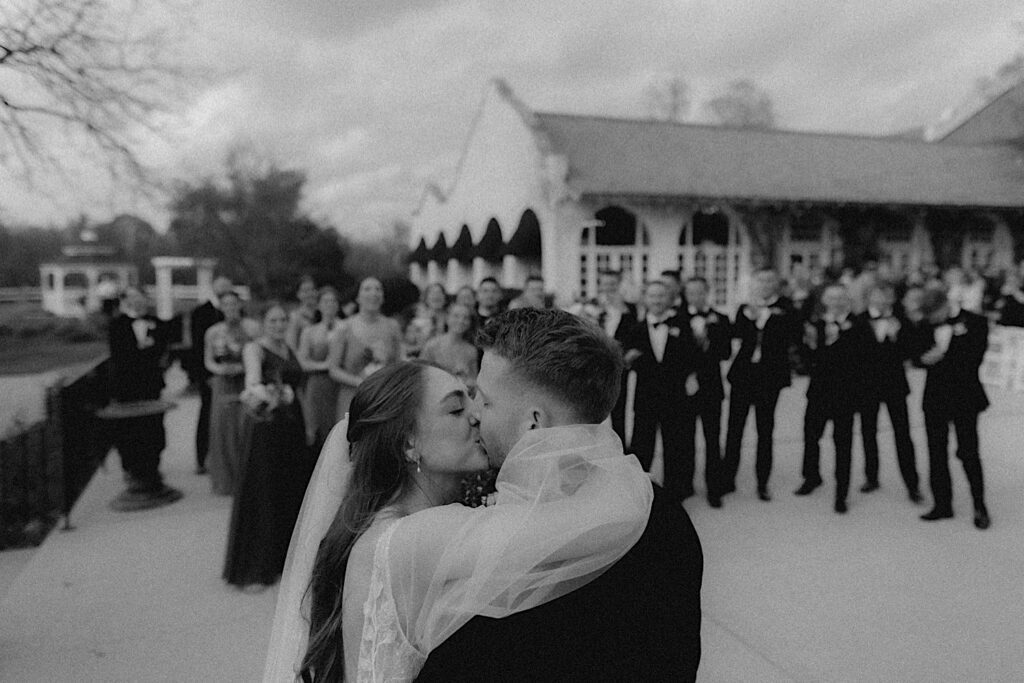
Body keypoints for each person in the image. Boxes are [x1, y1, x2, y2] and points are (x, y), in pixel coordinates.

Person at [264, 349, 656, 679]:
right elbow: (605, 519)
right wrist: (592, 446)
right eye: (455, 409)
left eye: (475, 399)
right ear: (408, 444)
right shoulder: (410, 538)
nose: (476, 415)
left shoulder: (396, 526)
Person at [417, 308, 703, 681]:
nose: (475, 414)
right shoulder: (663, 512)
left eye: (485, 400)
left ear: (533, 422)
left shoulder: (503, 536)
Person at [224, 302, 314, 589]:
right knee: (263, 490)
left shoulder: (290, 348)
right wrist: (270, 392)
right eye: (273, 320)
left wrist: (309, 423)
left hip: (292, 426)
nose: (278, 325)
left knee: (290, 489)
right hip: (266, 427)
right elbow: (251, 383)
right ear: (263, 323)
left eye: (282, 320)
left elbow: (301, 388)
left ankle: (284, 559)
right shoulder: (255, 349)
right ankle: (256, 566)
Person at [914, 288, 991, 529]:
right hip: (935, 397)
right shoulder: (925, 325)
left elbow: (975, 357)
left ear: (946, 304)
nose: (931, 320)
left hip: (965, 395)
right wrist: (924, 359)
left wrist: (944, 354)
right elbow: (914, 354)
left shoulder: (976, 321)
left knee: (969, 451)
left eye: (934, 314)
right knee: (936, 452)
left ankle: (980, 505)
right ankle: (942, 504)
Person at [793, 284, 872, 514]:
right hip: (818, 390)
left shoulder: (859, 325)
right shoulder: (815, 324)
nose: (836, 302)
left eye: (840, 298)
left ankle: (841, 493)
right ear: (824, 301)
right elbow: (807, 359)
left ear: (847, 300)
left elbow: (865, 358)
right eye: (831, 298)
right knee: (810, 435)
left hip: (846, 393)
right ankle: (811, 477)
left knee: (843, 443)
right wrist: (810, 346)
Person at [722, 269, 799, 501]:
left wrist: (768, 320)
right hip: (744, 375)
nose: (764, 284)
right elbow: (736, 337)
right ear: (754, 283)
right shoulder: (744, 307)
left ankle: (762, 482)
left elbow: (792, 337)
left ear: (777, 284)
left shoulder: (788, 309)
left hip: (769, 377)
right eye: (760, 280)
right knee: (734, 429)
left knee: (765, 431)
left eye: (769, 280)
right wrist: (750, 319)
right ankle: (728, 480)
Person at [624, 280, 701, 503]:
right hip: (646, 398)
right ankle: (639, 493)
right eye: (652, 296)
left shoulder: (683, 324)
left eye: (661, 296)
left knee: (675, 446)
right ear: (645, 299)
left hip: (675, 397)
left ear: (669, 299)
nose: (657, 301)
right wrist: (628, 360)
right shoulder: (635, 329)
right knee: (642, 445)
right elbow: (626, 360)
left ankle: (674, 495)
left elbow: (692, 357)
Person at [105, 287, 182, 509]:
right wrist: (144, 351)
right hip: (126, 389)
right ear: (125, 302)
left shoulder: (157, 323)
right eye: (133, 300)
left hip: (151, 387)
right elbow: (121, 355)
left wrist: (148, 350)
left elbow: (161, 351)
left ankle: (153, 470)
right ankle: (134, 473)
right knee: (130, 430)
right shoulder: (116, 325)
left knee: (154, 428)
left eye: (142, 300)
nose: (139, 304)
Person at [853, 283, 922, 502]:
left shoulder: (901, 321)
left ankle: (912, 484)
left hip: (894, 385)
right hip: (866, 386)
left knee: (902, 434)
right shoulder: (858, 320)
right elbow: (853, 355)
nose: (882, 300)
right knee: (868, 432)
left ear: (893, 299)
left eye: (887, 296)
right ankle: (871, 477)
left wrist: (896, 336)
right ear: (869, 297)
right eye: (877, 295)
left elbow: (912, 352)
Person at [682, 277, 732, 508]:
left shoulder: (721, 319)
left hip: (712, 387)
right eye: (691, 293)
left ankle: (715, 488)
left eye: (700, 293)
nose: (695, 297)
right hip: (686, 388)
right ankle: (686, 484)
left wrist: (708, 339)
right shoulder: (678, 318)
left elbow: (725, 353)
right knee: (686, 439)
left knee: (712, 439)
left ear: (707, 293)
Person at [204, 289, 259, 496]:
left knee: (245, 427)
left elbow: (260, 354)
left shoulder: (252, 327)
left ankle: (248, 478)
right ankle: (228, 480)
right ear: (220, 307)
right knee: (223, 428)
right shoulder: (213, 332)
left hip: (246, 381)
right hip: (223, 384)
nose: (230, 308)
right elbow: (208, 360)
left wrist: (245, 368)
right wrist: (221, 369)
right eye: (226, 304)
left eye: (234, 304)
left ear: (240, 305)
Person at [327, 277, 403, 418]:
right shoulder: (344, 328)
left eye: (378, 289)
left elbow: (399, 363)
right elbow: (334, 369)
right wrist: (359, 382)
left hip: (383, 398)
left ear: (383, 297)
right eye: (367, 289)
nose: (373, 293)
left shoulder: (393, 326)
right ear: (358, 297)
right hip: (352, 397)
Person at [189, 275, 233, 474]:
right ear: (214, 289)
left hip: (234, 373)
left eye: (227, 287)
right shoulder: (201, 312)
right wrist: (203, 377)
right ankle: (202, 458)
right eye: (221, 287)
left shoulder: (237, 311)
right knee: (207, 415)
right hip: (210, 374)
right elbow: (197, 347)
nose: (224, 290)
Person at [297, 286, 344, 450]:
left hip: (340, 384)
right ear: (318, 305)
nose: (330, 304)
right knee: (318, 428)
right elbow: (303, 361)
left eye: (333, 301)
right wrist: (324, 365)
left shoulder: (345, 327)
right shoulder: (309, 331)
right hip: (318, 384)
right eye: (325, 301)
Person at [595, 269, 638, 445]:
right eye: (605, 284)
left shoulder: (630, 309)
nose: (609, 288)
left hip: (620, 365)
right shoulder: (592, 307)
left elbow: (635, 334)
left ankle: (619, 449)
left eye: (612, 284)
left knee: (619, 410)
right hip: (595, 366)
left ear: (619, 285)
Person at [419, 303, 479, 391]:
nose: (461, 320)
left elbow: (474, 383)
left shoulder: (471, 351)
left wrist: (466, 379)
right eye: (456, 316)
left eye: (466, 318)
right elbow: (419, 374)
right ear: (447, 318)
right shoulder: (432, 345)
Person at [286, 276, 320, 351]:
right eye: (305, 291)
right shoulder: (295, 318)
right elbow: (291, 346)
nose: (310, 294)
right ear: (298, 294)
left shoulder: (323, 313)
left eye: (312, 290)